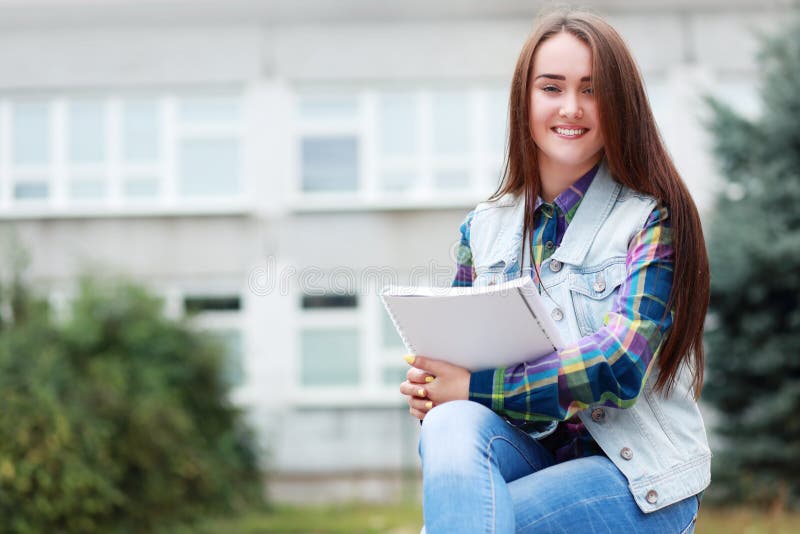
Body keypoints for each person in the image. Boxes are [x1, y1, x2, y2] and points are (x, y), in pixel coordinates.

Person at [399, 9, 711, 534]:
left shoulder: (652, 219)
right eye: (552, 87)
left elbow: (619, 365)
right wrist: (434, 386)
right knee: (452, 423)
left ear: (620, 105)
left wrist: (472, 387)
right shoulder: (483, 229)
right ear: (525, 100)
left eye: (592, 90)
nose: (571, 107)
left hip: (635, 479)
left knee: (467, 523)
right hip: (531, 455)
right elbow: (454, 369)